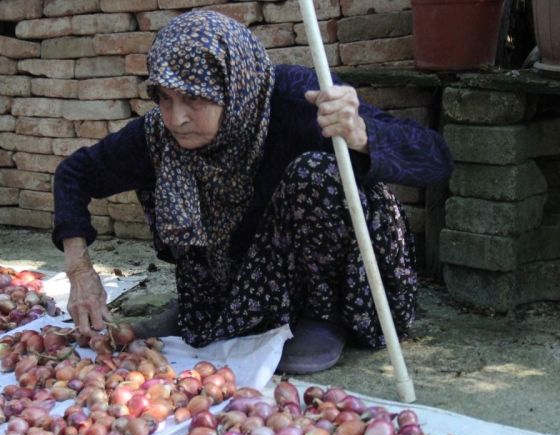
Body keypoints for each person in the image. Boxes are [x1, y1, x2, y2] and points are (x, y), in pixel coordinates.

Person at [52, 10, 452, 374]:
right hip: (244, 270)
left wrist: (361, 133)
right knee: (162, 157)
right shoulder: (160, 130)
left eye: (194, 98)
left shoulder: (297, 100)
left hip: (325, 271)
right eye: (165, 98)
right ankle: (207, 307)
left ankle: (324, 319)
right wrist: (80, 271)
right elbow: (74, 175)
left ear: (232, 87)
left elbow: (435, 158)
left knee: (317, 172)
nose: (176, 117)